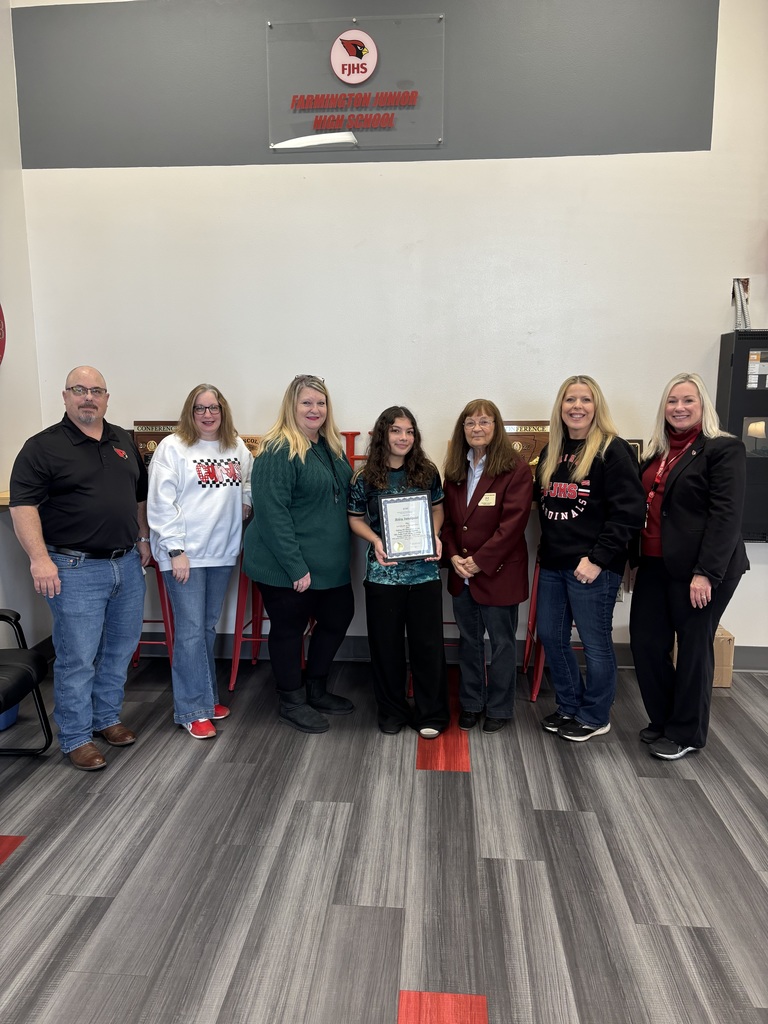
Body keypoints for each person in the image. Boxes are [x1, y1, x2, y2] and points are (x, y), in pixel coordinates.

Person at [9, 366, 151, 770]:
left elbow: (138, 497)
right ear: (65, 396)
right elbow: (23, 507)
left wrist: (142, 540)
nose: (88, 397)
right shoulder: (42, 447)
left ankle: (106, 717)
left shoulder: (124, 440)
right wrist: (40, 560)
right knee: (77, 656)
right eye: (80, 390)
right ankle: (75, 736)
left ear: (107, 398)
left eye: (97, 391)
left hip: (124, 564)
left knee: (120, 648)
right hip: (72, 568)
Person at [629, 372, 749, 761]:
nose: (679, 408)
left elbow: (726, 516)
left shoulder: (723, 449)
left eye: (688, 401)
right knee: (646, 643)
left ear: (702, 407)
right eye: (672, 401)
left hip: (702, 570)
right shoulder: (655, 451)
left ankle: (686, 733)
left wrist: (706, 573)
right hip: (654, 563)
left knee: (695, 649)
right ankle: (664, 720)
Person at [536, 375, 645, 742]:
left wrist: (597, 559)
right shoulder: (552, 450)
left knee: (596, 644)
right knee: (551, 637)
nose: (577, 406)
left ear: (596, 406)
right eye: (570, 399)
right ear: (561, 407)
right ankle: (569, 706)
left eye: (585, 399)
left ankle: (596, 715)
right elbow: (546, 509)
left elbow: (629, 512)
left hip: (593, 568)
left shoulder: (612, 450)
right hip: (554, 564)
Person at [243, 375, 354, 733]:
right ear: (291, 406)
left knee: (338, 616)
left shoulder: (330, 447)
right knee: (289, 629)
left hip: (327, 564)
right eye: (306, 402)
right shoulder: (278, 450)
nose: (314, 409)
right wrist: (295, 566)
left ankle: (316, 688)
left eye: (320, 403)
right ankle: (292, 700)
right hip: (286, 564)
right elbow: (272, 514)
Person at [147, 384, 253, 740]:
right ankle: (192, 710)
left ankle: (205, 699)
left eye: (214, 408)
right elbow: (160, 503)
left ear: (223, 412)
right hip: (184, 555)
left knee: (206, 627)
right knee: (190, 631)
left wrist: (247, 505)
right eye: (199, 409)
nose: (208, 415)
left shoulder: (235, 447)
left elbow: (249, 483)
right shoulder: (173, 447)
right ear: (189, 413)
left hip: (221, 551)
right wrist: (175, 550)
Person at [348, 406, 450, 738]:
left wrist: (434, 534)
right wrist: (376, 539)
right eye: (395, 431)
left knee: (428, 646)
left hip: (424, 574)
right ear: (383, 435)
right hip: (383, 574)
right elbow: (354, 518)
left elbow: (437, 509)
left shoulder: (427, 471)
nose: (403, 437)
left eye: (408, 431)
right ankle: (391, 711)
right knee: (386, 646)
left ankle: (431, 713)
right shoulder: (365, 476)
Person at [442, 399, 533, 733]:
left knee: (502, 642)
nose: (476, 428)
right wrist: (452, 556)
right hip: (461, 572)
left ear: (497, 428)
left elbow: (513, 525)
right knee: (468, 641)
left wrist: (479, 562)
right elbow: (449, 523)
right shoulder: (454, 470)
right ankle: (471, 702)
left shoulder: (516, 469)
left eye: (484, 422)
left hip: (497, 573)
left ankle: (499, 707)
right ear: (462, 429)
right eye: (469, 423)